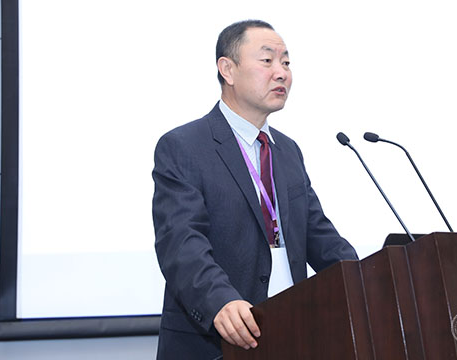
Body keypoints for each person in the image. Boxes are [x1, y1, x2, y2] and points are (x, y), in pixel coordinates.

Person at [152, 20, 358, 360]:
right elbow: (181, 242)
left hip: (293, 336)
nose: (282, 73)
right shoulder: (184, 146)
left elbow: (319, 236)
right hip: (218, 343)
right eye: (267, 61)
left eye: (286, 62)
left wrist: (367, 280)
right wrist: (221, 301)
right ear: (227, 69)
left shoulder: (286, 150)